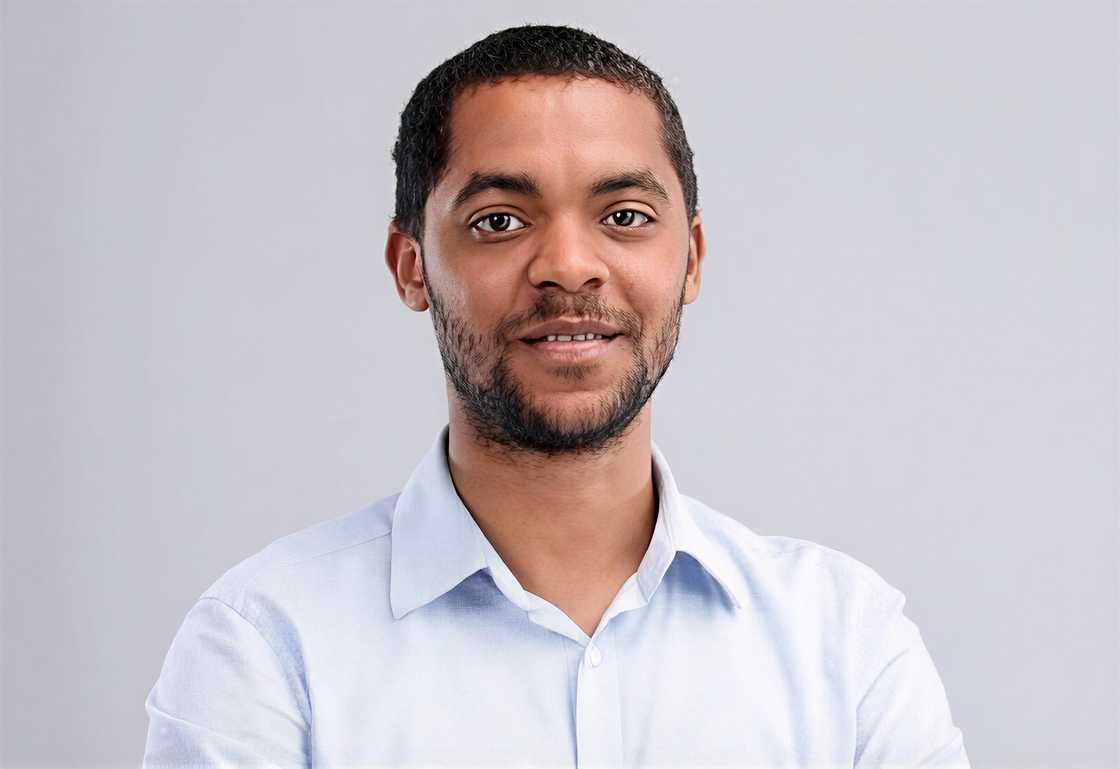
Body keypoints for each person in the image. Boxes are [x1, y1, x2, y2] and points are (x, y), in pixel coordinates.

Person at [142, 24, 970, 769]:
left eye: (627, 214)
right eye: (500, 220)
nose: (569, 265)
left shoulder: (848, 642)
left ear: (692, 257)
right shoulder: (266, 646)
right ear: (410, 266)